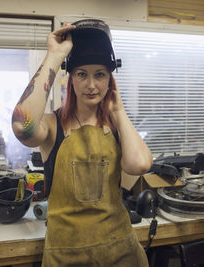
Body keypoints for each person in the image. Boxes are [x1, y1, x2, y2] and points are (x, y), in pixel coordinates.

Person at [12, 19, 153, 267]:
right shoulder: (53, 126)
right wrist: (54, 57)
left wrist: (118, 111)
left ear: (110, 79)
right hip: (67, 257)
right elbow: (22, 126)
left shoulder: (115, 126)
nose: (91, 85)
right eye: (81, 74)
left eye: (100, 75)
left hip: (121, 253)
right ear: (71, 79)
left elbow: (140, 165)